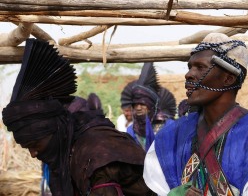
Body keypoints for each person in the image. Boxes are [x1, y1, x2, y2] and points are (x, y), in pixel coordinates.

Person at [143, 33, 248, 196]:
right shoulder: (171, 137)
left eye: (200, 67)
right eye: (190, 67)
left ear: (228, 79)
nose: (189, 74)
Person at [2, 38, 154, 196]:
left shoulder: (95, 155)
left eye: (35, 144)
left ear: (56, 130)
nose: (33, 153)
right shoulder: (71, 148)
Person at [126, 63, 160, 151]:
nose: (138, 108)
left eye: (142, 104)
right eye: (135, 104)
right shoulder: (131, 130)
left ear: (150, 105)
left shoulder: (167, 127)